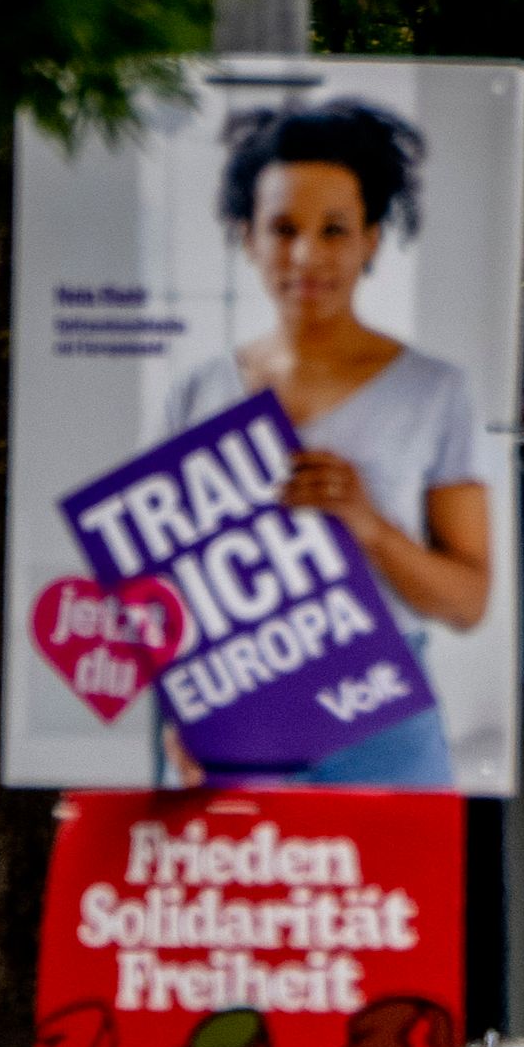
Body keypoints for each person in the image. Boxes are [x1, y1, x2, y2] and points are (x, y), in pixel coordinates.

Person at [167, 99, 488, 787]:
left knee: (393, 897)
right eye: (283, 228)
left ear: (372, 239)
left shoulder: (431, 390)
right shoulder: (200, 392)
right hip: (240, 707)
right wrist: (179, 706)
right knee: (244, 896)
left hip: (382, 712)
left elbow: (468, 600)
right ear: (246, 236)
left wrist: (368, 525)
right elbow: (168, 591)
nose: (307, 255)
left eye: (335, 229)